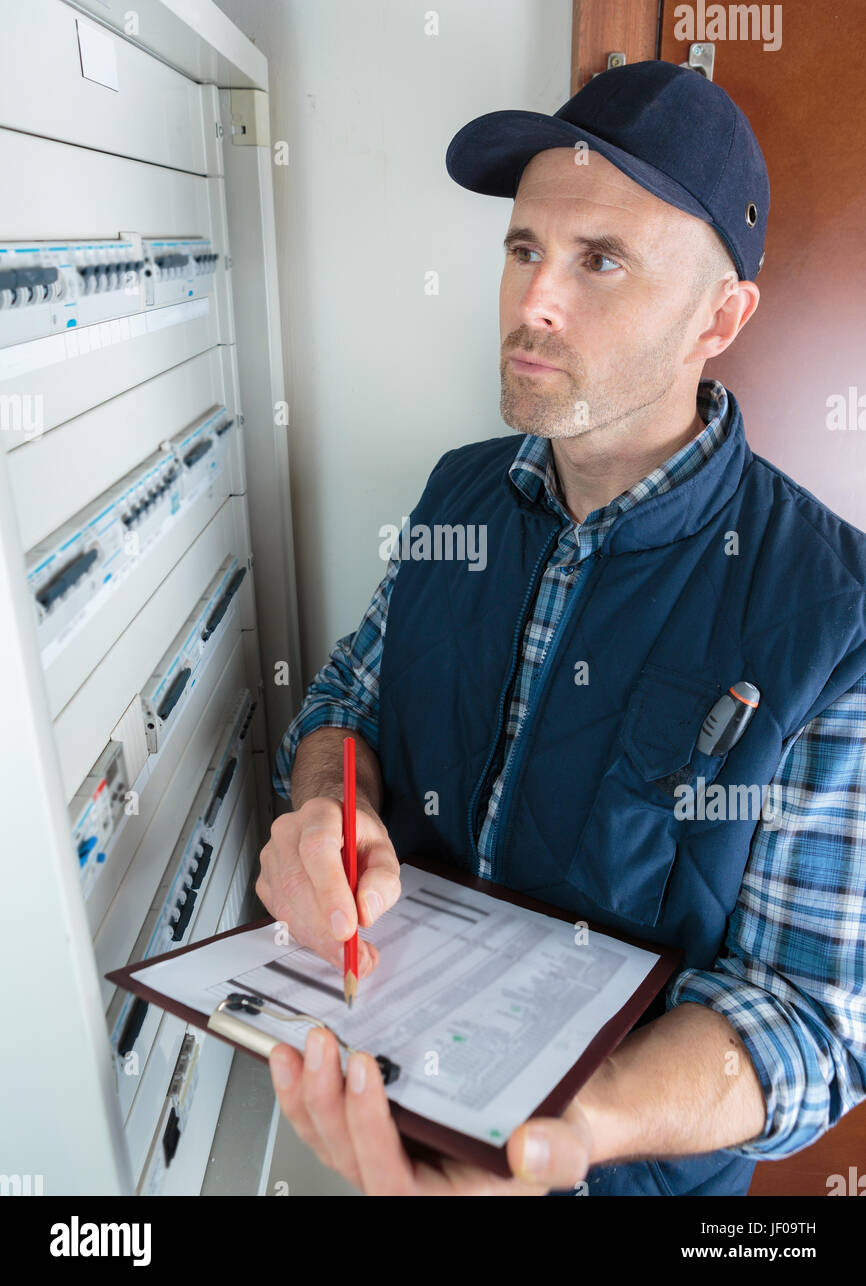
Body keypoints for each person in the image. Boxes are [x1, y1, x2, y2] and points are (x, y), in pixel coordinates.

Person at [256, 60, 866, 1197]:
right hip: (381, 1113)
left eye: (600, 261)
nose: (533, 300)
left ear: (719, 317)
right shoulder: (457, 495)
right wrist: (325, 812)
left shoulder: (834, 616)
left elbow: (805, 1022)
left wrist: (552, 1131)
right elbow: (346, 703)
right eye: (523, 249)